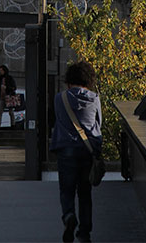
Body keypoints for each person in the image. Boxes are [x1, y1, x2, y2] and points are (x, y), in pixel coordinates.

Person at [50, 61, 102, 243]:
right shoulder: (94, 98)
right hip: (87, 151)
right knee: (85, 193)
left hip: (66, 150)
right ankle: (84, 232)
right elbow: (98, 125)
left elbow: (58, 119)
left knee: (66, 190)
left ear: (70, 79)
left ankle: (69, 215)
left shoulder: (60, 98)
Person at [0, 64, 17, 129]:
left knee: (11, 112)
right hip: (2, 96)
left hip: (9, 96)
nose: (1, 72)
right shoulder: (0, 78)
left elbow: (14, 87)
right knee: (0, 111)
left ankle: (13, 124)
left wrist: (7, 88)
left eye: (2, 70)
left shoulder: (9, 78)